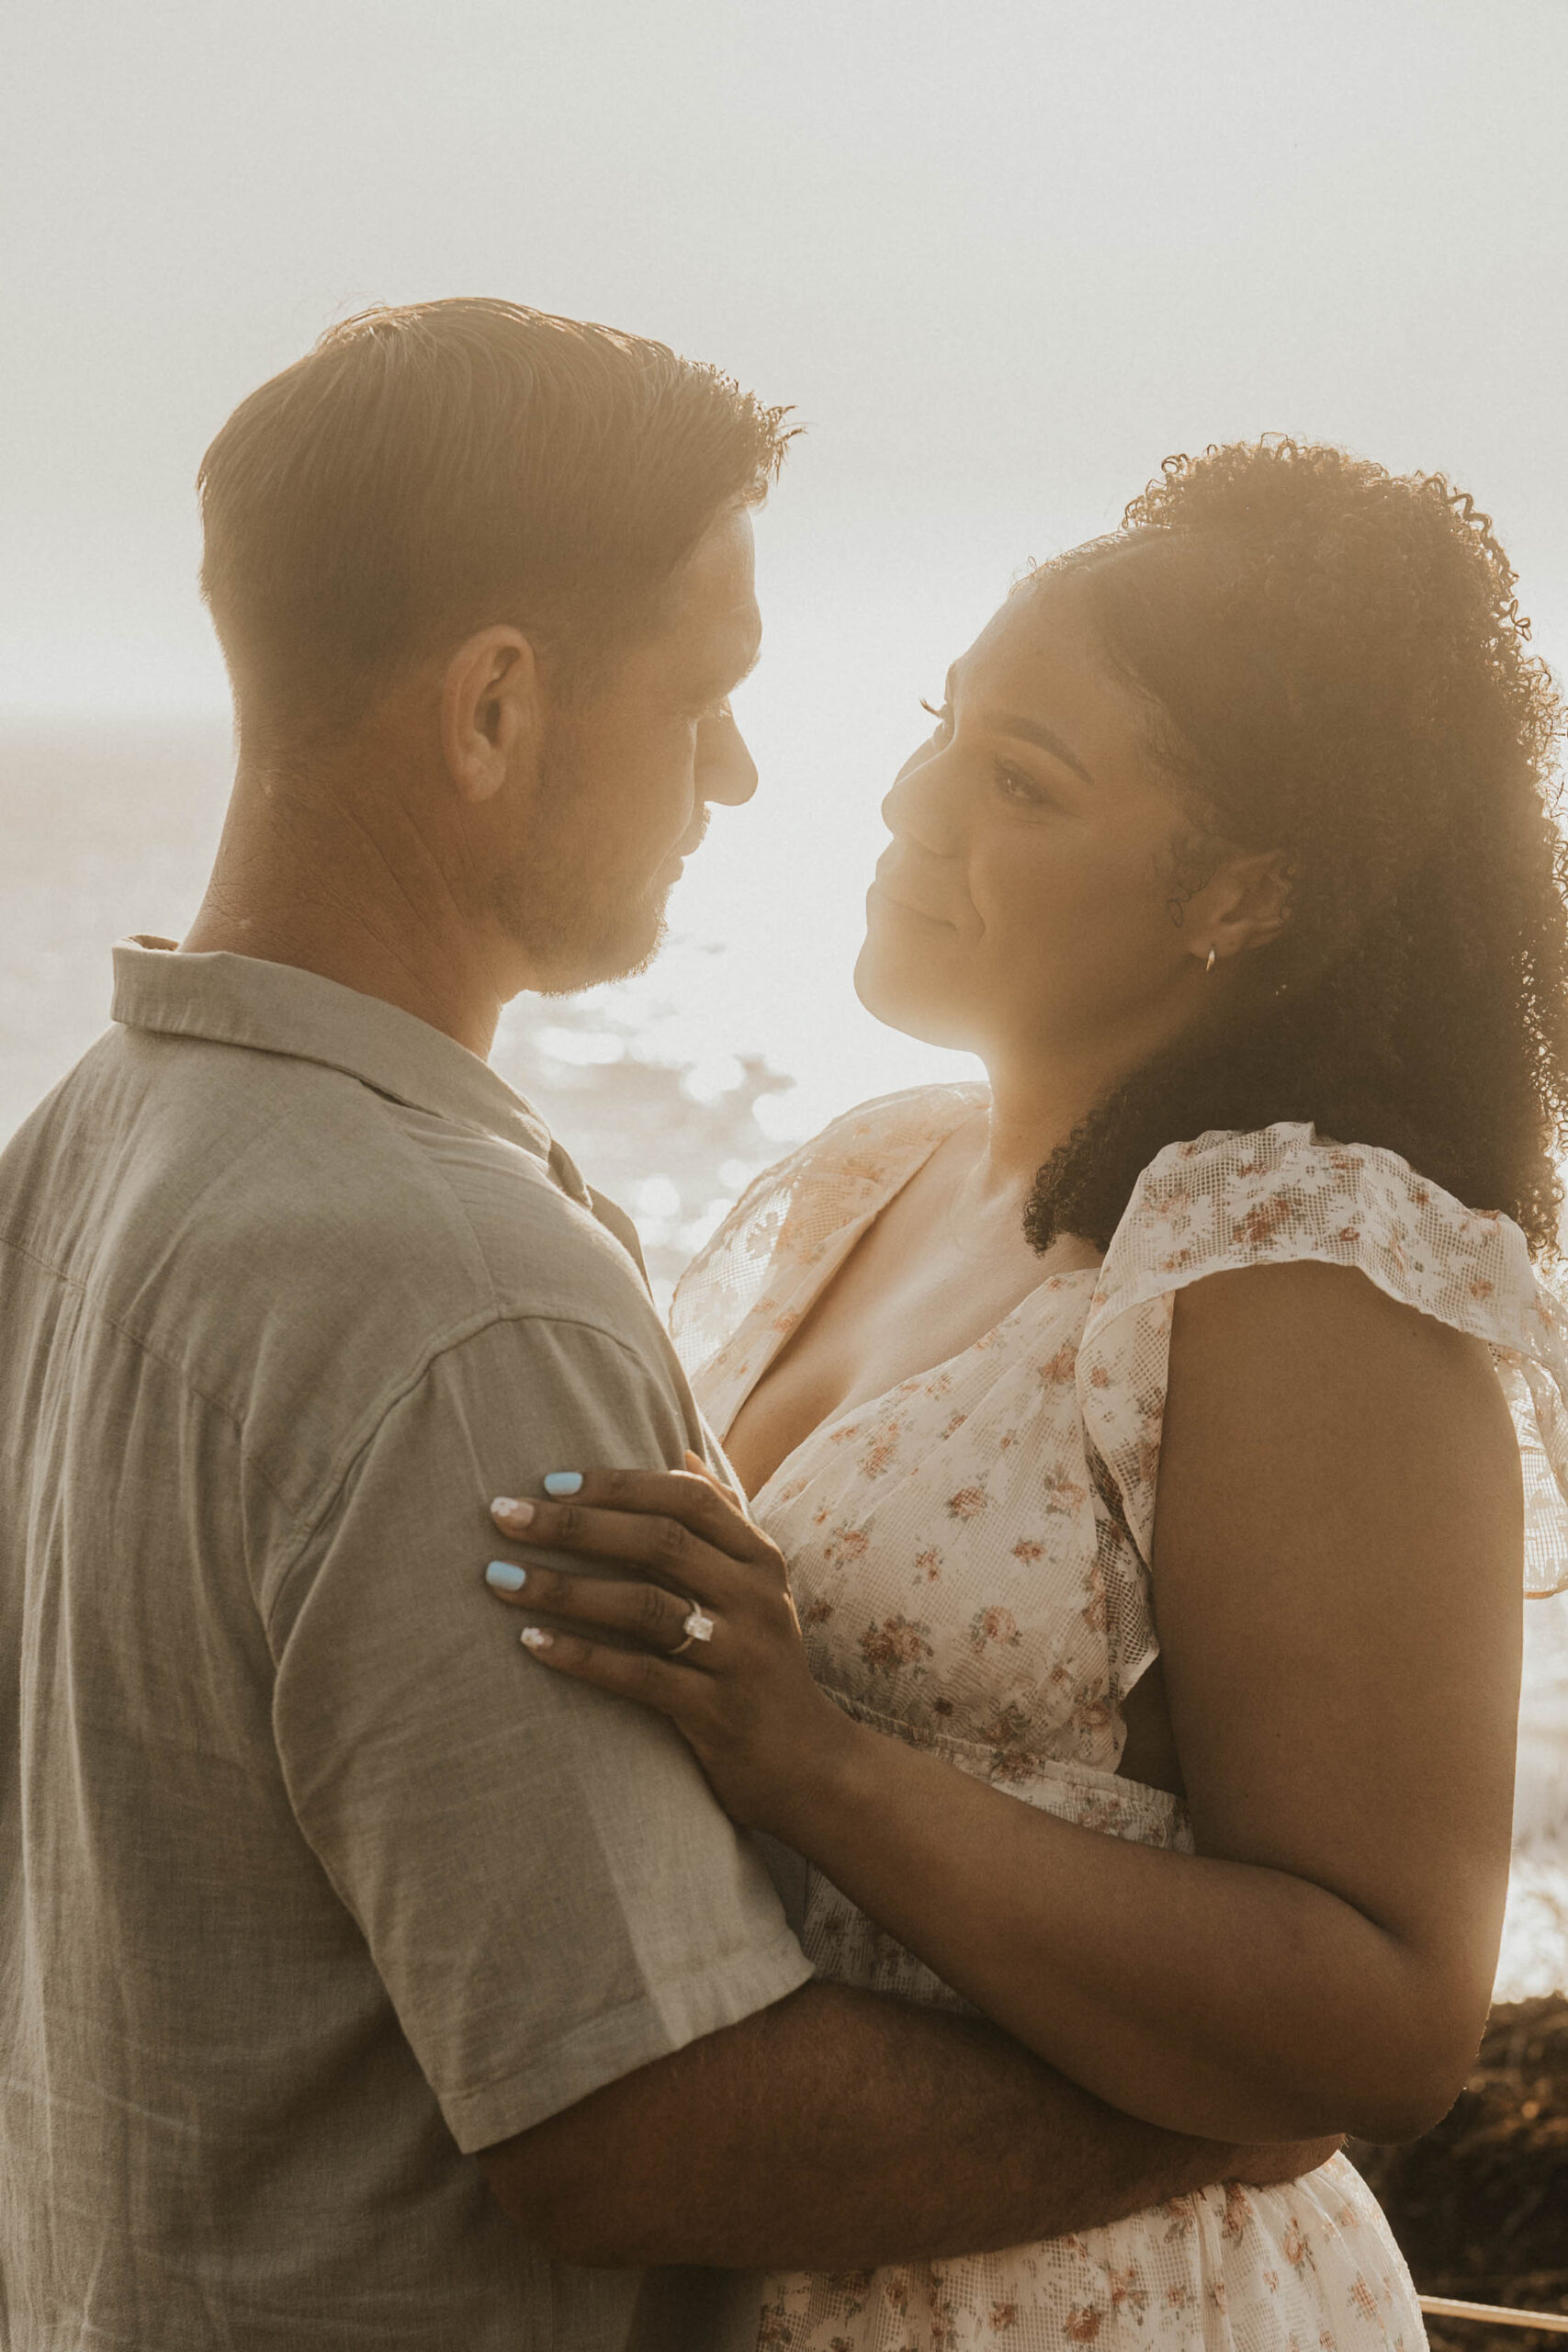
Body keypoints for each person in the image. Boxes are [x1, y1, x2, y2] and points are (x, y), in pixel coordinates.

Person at [0, 308, 1329, 2352]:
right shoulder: (454, 1284)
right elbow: (633, 2119)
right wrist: (1225, 2107)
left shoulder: (79, 1147)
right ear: (494, 709)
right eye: (704, 692)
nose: (741, 767)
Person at [481, 437, 1568, 2350]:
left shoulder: (1290, 1262)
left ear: (1240, 887)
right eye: (941, 724)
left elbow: (1385, 2007)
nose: (905, 802)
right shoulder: (869, 1173)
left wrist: (810, 1755)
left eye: (1016, 779)